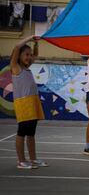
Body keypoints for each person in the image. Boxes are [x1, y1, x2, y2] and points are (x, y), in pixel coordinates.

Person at [10, 35, 48, 169]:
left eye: (30, 55)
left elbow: (35, 54)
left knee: (31, 133)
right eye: (26, 54)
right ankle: (21, 161)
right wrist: (30, 38)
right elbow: (16, 47)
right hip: (23, 104)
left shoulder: (27, 68)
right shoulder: (15, 67)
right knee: (22, 131)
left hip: (33, 102)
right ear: (19, 55)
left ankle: (33, 159)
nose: (29, 57)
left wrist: (36, 44)